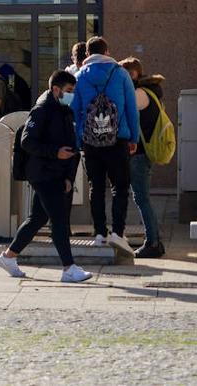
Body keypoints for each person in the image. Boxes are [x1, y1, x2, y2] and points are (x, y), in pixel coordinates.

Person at [0, 71, 93, 283]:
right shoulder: (42, 110)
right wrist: (55, 152)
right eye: (68, 91)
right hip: (43, 173)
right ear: (55, 89)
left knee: (38, 218)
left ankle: (8, 257)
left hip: (55, 172)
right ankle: (69, 268)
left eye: (73, 91)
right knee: (58, 219)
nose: (72, 95)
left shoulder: (63, 110)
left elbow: (69, 143)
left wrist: (68, 176)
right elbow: (27, 141)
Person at [72, 36, 139, 253]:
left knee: (96, 187)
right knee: (120, 187)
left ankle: (100, 233)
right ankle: (118, 233)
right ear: (107, 51)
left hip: (91, 141)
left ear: (88, 54)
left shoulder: (80, 76)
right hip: (118, 139)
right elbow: (131, 108)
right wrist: (133, 138)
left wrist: (78, 138)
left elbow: (75, 110)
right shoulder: (120, 74)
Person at [119, 57, 166, 258]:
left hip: (138, 154)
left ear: (132, 74)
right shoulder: (149, 92)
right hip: (142, 153)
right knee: (142, 198)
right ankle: (156, 241)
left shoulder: (139, 94)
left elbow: (123, 113)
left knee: (141, 198)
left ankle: (152, 243)